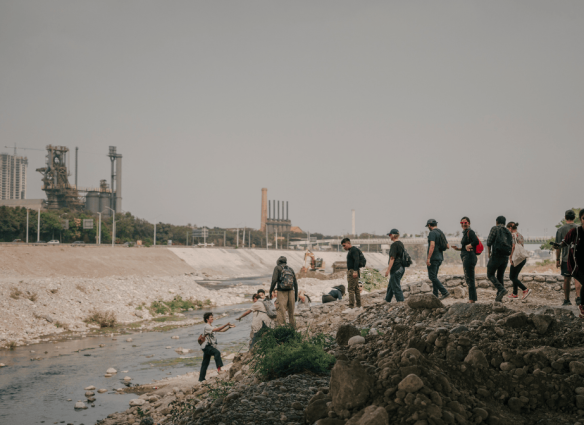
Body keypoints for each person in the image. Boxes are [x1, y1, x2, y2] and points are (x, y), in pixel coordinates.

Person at [554, 209, 584, 317]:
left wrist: (557, 259)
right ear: (576, 218)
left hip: (566, 259)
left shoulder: (560, 229)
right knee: (578, 279)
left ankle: (566, 300)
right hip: (577, 259)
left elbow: (558, 247)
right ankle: (578, 299)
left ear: (565, 217)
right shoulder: (577, 228)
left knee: (567, 279)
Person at [452, 217, 480, 303]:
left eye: (465, 222)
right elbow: (466, 246)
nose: (464, 224)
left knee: (470, 278)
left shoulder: (470, 232)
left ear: (469, 223)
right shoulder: (465, 233)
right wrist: (459, 249)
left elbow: (476, 242)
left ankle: (472, 299)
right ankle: (472, 298)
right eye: (462, 222)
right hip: (467, 256)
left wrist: (469, 245)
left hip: (469, 257)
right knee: (468, 278)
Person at [199, 312, 233, 382]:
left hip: (208, 346)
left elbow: (222, 330)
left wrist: (229, 327)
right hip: (207, 346)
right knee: (217, 353)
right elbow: (217, 329)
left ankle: (201, 379)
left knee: (205, 363)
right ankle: (219, 370)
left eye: (212, 317)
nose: (212, 318)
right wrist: (226, 324)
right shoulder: (207, 327)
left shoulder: (212, 326)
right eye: (211, 317)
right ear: (207, 319)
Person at [486, 216, 511, 302]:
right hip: (505, 257)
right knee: (500, 276)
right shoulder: (508, 231)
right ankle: (499, 299)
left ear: (496, 222)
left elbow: (489, 242)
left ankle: (501, 289)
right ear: (504, 222)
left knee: (490, 274)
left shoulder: (495, 228)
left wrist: (489, 254)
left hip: (496, 256)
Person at [269, 256, 298, 328]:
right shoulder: (290, 269)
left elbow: (274, 281)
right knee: (291, 313)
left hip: (282, 292)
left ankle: (282, 329)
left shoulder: (277, 268)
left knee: (281, 311)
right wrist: (296, 296)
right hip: (291, 292)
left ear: (278, 261)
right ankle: (293, 328)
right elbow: (295, 283)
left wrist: (270, 291)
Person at [425, 219, 450, 300]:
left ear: (429, 225)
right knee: (434, 276)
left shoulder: (432, 233)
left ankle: (444, 292)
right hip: (440, 258)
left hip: (433, 258)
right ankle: (435, 296)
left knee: (432, 276)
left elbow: (432, 245)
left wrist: (428, 258)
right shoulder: (440, 232)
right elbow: (447, 246)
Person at [507, 222, 531, 300]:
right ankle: (515, 293)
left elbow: (513, 246)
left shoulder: (512, 235)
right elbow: (522, 247)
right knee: (515, 277)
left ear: (510, 228)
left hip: (516, 259)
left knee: (512, 277)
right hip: (522, 259)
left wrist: (510, 258)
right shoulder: (520, 235)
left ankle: (525, 289)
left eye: (508, 228)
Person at [341, 237, 363, 309]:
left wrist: (355, 271)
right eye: (343, 246)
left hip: (353, 271)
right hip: (353, 270)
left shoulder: (353, 250)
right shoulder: (352, 250)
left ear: (349, 243)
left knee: (351, 289)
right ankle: (359, 306)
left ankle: (351, 307)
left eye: (344, 245)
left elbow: (356, 260)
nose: (343, 247)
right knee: (356, 289)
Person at [384, 229, 405, 303]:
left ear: (393, 235)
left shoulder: (394, 245)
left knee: (396, 287)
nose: (389, 237)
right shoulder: (401, 244)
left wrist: (388, 270)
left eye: (390, 235)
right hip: (401, 268)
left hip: (396, 268)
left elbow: (392, 258)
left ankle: (401, 302)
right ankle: (387, 300)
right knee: (391, 285)